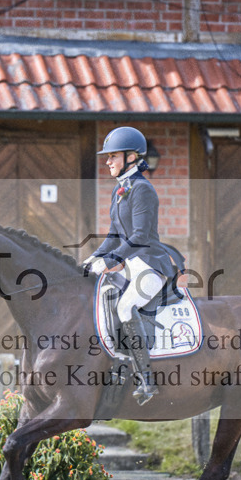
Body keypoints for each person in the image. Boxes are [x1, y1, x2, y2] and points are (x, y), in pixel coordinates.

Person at [84, 127, 178, 406]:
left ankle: (146, 380)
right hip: (131, 263)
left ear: (131, 157)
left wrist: (111, 261)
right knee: (102, 297)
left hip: (151, 264)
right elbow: (114, 235)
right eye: (107, 157)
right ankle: (117, 365)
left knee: (125, 306)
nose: (108, 162)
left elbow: (139, 237)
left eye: (113, 156)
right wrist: (93, 258)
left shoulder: (143, 190)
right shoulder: (120, 190)